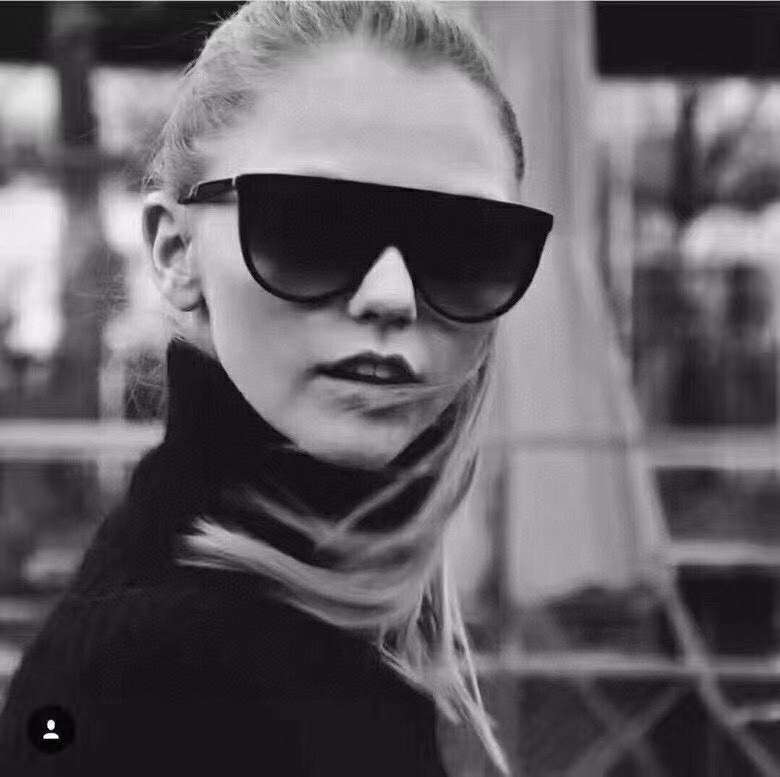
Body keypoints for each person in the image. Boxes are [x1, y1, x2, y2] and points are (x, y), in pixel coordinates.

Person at [0, 2, 553, 775]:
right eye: (313, 224)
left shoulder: (316, 603)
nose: (391, 296)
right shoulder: (152, 672)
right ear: (175, 253)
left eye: (465, 244)